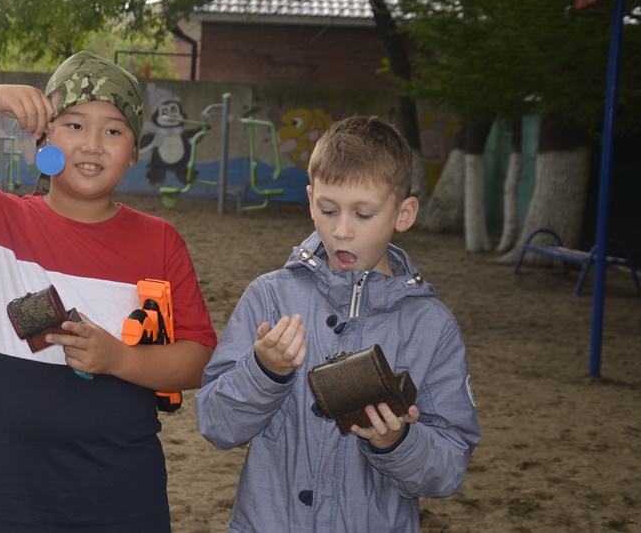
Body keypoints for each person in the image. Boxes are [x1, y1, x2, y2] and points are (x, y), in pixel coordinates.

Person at [0, 51, 218, 532]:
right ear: (44, 137)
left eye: (114, 130)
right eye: (74, 125)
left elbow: (199, 358)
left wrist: (120, 359)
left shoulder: (160, 241)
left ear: (134, 152)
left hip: (121, 498)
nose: (93, 144)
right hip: (5, 497)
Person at [195, 115, 480, 532]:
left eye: (363, 214)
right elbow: (216, 425)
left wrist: (397, 443)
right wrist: (264, 372)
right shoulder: (269, 296)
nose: (342, 230)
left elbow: (450, 468)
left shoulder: (432, 327)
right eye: (328, 210)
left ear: (404, 213)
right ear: (311, 201)